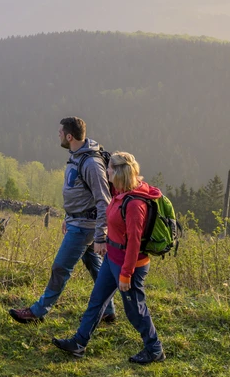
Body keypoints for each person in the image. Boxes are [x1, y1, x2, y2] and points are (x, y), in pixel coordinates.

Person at [52, 151, 166, 364]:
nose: (106, 171)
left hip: (129, 266)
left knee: (135, 309)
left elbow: (134, 243)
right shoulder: (120, 192)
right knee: (96, 301)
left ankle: (154, 349)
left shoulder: (135, 205)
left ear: (119, 173)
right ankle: (79, 343)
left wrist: (126, 274)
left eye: (110, 169)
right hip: (112, 259)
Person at [9, 117, 116, 323]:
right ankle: (108, 310)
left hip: (84, 227)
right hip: (78, 222)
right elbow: (77, 192)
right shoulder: (77, 156)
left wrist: (101, 236)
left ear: (69, 136)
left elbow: (104, 201)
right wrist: (69, 216)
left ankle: (38, 312)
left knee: (60, 267)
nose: (57, 135)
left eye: (60, 132)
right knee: (95, 266)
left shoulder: (91, 164)